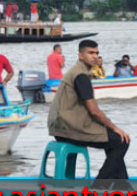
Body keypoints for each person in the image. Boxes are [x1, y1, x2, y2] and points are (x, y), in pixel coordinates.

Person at [47, 40, 130, 181]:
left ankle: (123, 186)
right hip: (67, 128)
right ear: (81, 55)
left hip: (61, 126)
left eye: (97, 53)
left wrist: (110, 128)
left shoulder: (77, 71)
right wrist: (115, 128)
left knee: (114, 139)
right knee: (122, 141)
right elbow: (94, 111)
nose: (95, 56)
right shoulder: (80, 76)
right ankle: (99, 185)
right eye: (90, 53)